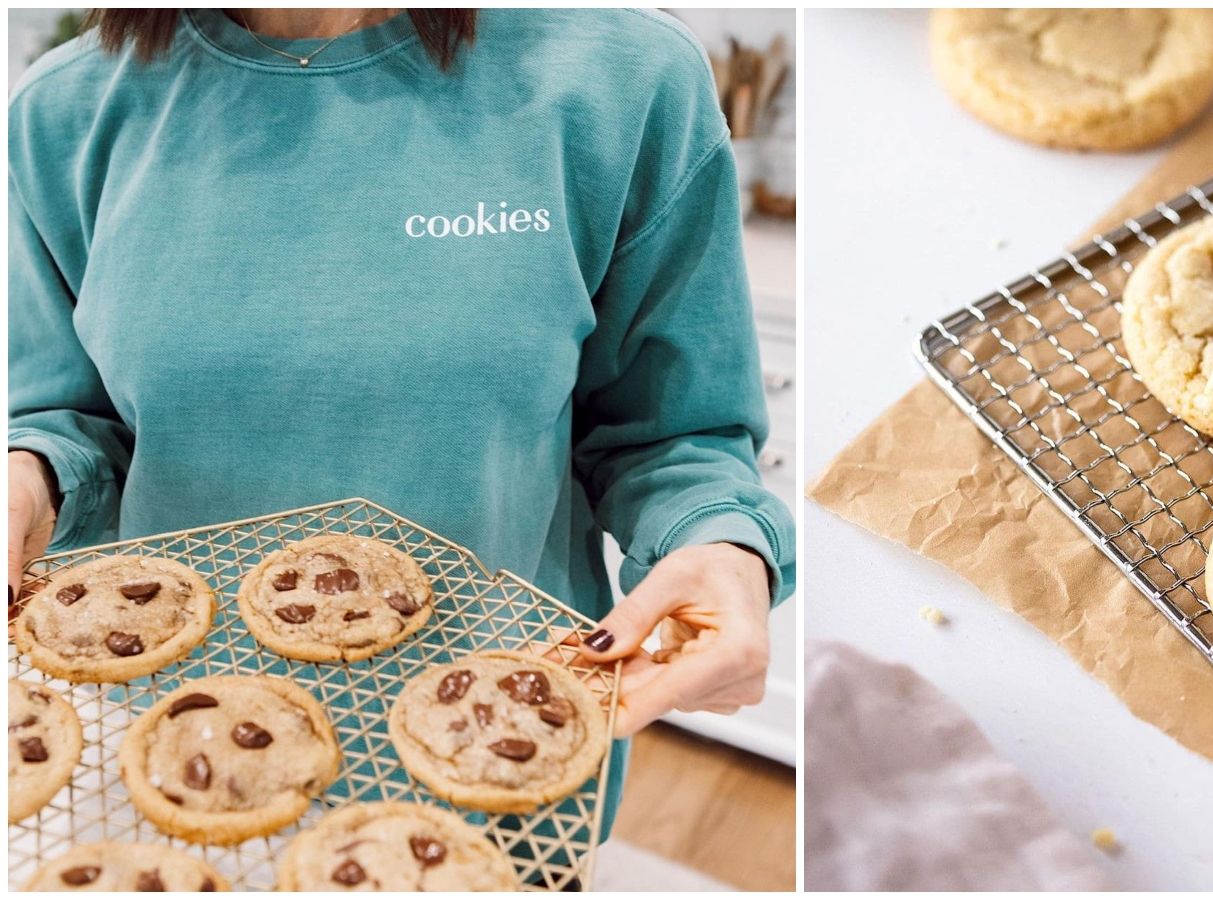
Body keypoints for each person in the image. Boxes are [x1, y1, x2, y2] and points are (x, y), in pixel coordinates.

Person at [8, 7, 794, 834]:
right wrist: (29, 477)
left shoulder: (625, 78)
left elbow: (673, 432)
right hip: (172, 757)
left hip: (500, 748)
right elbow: (70, 419)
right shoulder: (62, 110)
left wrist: (719, 541)